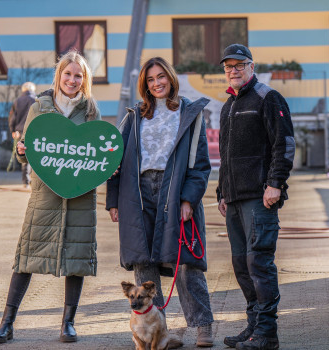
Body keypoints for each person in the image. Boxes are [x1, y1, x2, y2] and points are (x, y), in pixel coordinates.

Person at [0, 51, 101, 344]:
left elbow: (97, 150)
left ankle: (68, 324)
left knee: (76, 258)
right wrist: (21, 151)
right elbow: (25, 151)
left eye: (79, 76)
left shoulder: (90, 110)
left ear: (84, 79)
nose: (73, 80)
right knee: (26, 256)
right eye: (68, 74)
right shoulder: (40, 107)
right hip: (45, 194)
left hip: (80, 195)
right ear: (59, 75)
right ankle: (6, 323)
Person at [106, 57, 215, 347]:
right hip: (138, 194)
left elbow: (200, 164)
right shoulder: (134, 117)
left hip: (175, 191)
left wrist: (189, 199)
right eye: (150, 80)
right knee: (144, 264)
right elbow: (113, 162)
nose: (156, 83)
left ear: (170, 77)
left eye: (160, 77)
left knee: (185, 264)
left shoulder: (189, 114)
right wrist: (113, 200)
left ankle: (203, 326)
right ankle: (156, 332)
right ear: (145, 85)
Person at [216, 44, 294, 350]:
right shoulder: (228, 106)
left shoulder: (268, 98)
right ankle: (253, 327)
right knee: (241, 265)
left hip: (260, 199)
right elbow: (225, 156)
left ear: (252, 66)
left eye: (239, 65)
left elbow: (284, 144)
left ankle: (267, 334)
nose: (233, 70)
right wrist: (222, 192)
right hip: (233, 201)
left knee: (259, 263)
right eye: (228, 66)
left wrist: (276, 183)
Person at [8, 82, 36, 188]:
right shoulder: (36, 100)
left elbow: (12, 118)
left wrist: (13, 130)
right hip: (34, 131)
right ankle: (34, 180)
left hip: (20, 131)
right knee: (35, 154)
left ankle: (25, 181)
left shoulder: (17, 101)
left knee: (23, 155)